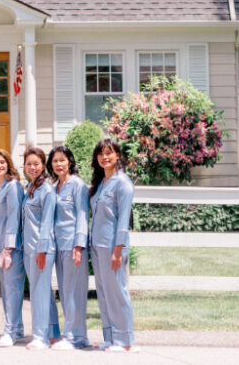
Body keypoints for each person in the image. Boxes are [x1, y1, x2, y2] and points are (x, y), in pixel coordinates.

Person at [89, 139, 136, 352]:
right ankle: (110, 337)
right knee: (104, 291)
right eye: (100, 154)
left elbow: (124, 219)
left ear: (118, 155)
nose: (104, 157)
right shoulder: (100, 183)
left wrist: (118, 250)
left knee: (117, 291)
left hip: (113, 246)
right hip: (97, 245)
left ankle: (125, 341)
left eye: (109, 153)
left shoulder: (123, 183)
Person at [47, 145, 91, 350]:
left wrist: (79, 245)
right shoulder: (55, 186)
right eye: (55, 161)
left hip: (74, 246)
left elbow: (83, 215)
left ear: (70, 162)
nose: (58, 164)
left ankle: (76, 337)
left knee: (74, 292)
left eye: (62, 160)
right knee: (65, 292)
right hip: (59, 246)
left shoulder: (78, 185)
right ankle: (74, 334)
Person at [20, 146, 60, 350]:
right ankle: (53, 333)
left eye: (36, 164)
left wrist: (43, 249)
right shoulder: (31, 187)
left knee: (39, 292)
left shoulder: (47, 190)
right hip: (29, 248)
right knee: (42, 291)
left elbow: (47, 222)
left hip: (41, 248)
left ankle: (39, 336)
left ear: (43, 165)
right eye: (29, 164)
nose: (32, 167)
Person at [0, 148, 25, 347]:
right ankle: (17, 328)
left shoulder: (13, 186)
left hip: (11, 247)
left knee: (12, 290)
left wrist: (8, 248)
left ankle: (9, 331)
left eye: (2, 162)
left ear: (8, 164)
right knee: (7, 289)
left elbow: (14, 216)